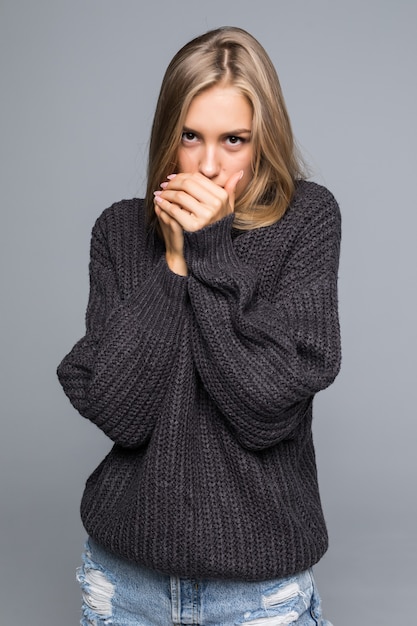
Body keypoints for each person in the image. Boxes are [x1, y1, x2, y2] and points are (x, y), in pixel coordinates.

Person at [57, 26, 341, 626]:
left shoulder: (307, 221)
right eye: (191, 136)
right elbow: (120, 412)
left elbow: (265, 410)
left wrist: (210, 252)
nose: (207, 164)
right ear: (169, 134)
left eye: (233, 140)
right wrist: (176, 261)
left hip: (256, 593)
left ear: (264, 141)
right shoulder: (118, 232)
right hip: (125, 582)